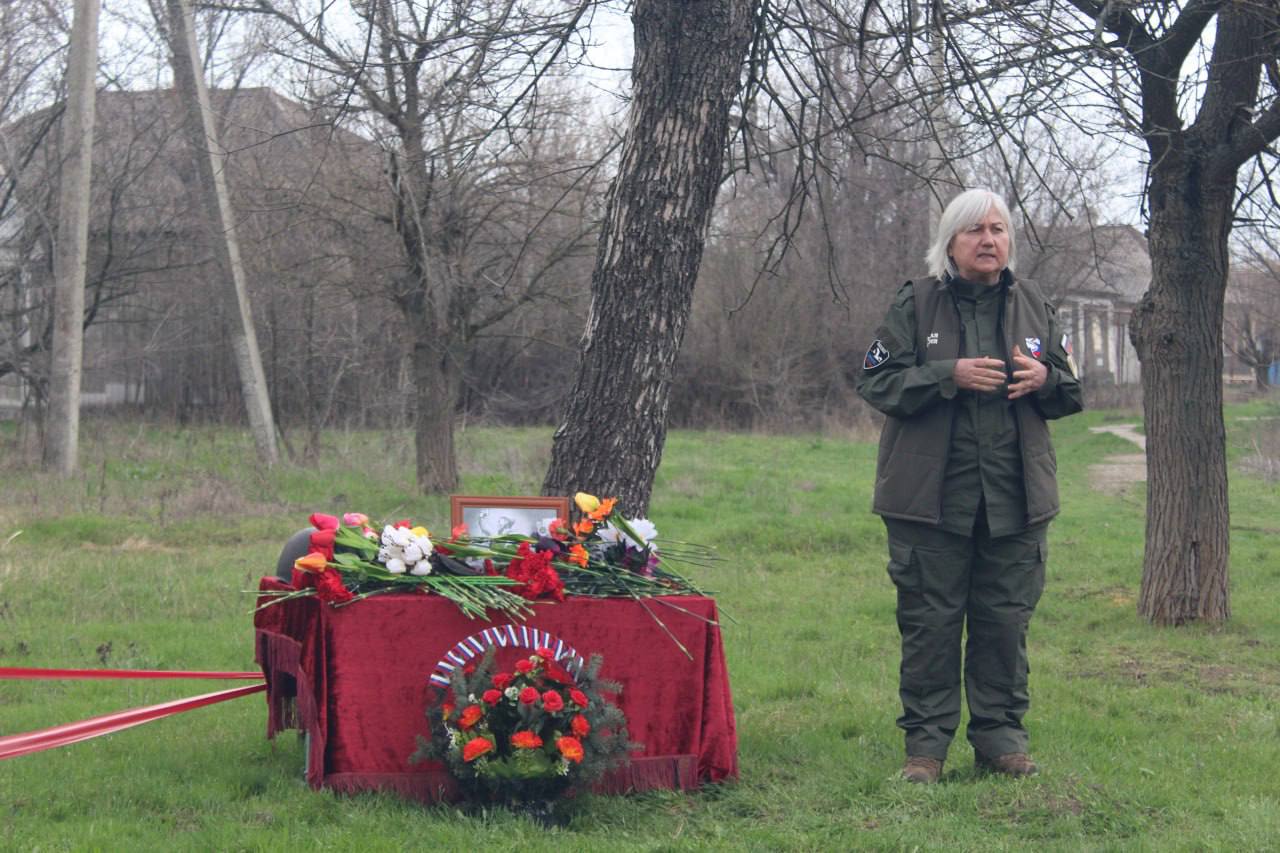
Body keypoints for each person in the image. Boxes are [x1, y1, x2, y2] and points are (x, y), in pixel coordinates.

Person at [856, 188, 1083, 784]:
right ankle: (925, 751)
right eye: (975, 230)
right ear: (951, 243)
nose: (989, 240)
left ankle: (1001, 741)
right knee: (930, 625)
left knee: (1004, 623)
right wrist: (944, 374)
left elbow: (1072, 391)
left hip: (1016, 499)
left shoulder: (1034, 304)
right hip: (929, 501)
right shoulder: (917, 302)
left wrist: (1045, 378)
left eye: (999, 229)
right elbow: (876, 382)